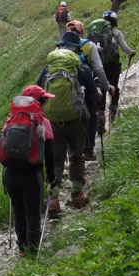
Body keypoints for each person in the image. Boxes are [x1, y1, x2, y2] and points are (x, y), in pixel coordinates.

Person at [36, 31, 99, 215]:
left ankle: (54, 200)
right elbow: (94, 94)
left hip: (54, 121)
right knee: (77, 156)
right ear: (76, 49)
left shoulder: (49, 69)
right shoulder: (79, 66)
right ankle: (77, 195)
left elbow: (39, 91)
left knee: (56, 161)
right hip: (76, 119)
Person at [0, 85, 56, 257]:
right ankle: (33, 254)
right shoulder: (42, 122)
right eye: (45, 100)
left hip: (10, 173)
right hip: (31, 173)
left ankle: (22, 250)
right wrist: (52, 179)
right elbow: (48, 153)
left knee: (19, 212)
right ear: (39, 102)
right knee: (33, 214)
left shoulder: (11, 119)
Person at [65, 20, 115, 161]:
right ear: (82, 32)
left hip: (67, 87)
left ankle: (73, 153)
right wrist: (107, 87)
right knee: (92, 116)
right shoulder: (89, 45)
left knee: (72, 117)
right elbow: (98, 69)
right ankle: (89, 150)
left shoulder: (60, 50)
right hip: (86, 86)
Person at [97, 11, 135, 124]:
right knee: (114, 87)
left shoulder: (98, 34)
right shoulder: (117, 33)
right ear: (114, 21)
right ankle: (113, 113)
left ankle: (101, 117)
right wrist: (131, 52)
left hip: (100, 65)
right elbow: (125, 48)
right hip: (113, 65)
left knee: (102, 88)